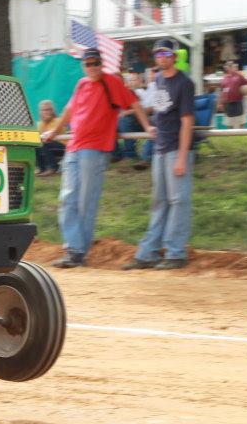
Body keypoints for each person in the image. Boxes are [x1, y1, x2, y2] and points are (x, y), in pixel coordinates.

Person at [41, 48, 153, 268]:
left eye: (95, 63)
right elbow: (69, 111)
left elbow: (135, 104)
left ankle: (78, 253)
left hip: (95, 148)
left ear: (102, 64)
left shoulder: (111, 82)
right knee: (67, 198)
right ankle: (73, 248)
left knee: (86, 201)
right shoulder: (82, 84)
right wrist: (54, 133)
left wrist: (148, 126)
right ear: (83, 66)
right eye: (88, 64)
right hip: (74, 146)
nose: (92, 67)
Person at [124, 39, 196, 270]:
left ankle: (176, 252)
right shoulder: (160, 80)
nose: (161, 57)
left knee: (178, 200)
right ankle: (149, 253)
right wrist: (151, 125)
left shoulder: (185, 83)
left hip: (176, 148)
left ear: (174, 56)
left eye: (166, 53)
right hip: (160, 147)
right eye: (158, 53)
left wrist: (183, 157)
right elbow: (160, 110)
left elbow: (187, 122)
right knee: (160, 201)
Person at [217, 60, 247, 129]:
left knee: (241, 122)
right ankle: (230, 137)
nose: (229, 67)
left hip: (238, 102)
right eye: (228, 65)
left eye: (231, 65)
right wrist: (220, 103)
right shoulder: (224, 78)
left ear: (234, 67)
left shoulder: (239, 76)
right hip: (228, 103)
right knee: (229, 123)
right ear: (226, 67)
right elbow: (221, 92)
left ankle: (242, 135)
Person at [35, 100, 64, 176]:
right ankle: (41, 168)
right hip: (50, 145)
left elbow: (51, 135)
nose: (47, 112)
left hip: (63, 146)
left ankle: (53, 168)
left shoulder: (58, 121)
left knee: (45, 143)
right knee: (36, 144)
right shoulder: (39, 123)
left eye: (49, 110)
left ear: (52, 111)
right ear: (40, 112)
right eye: (44, 110)